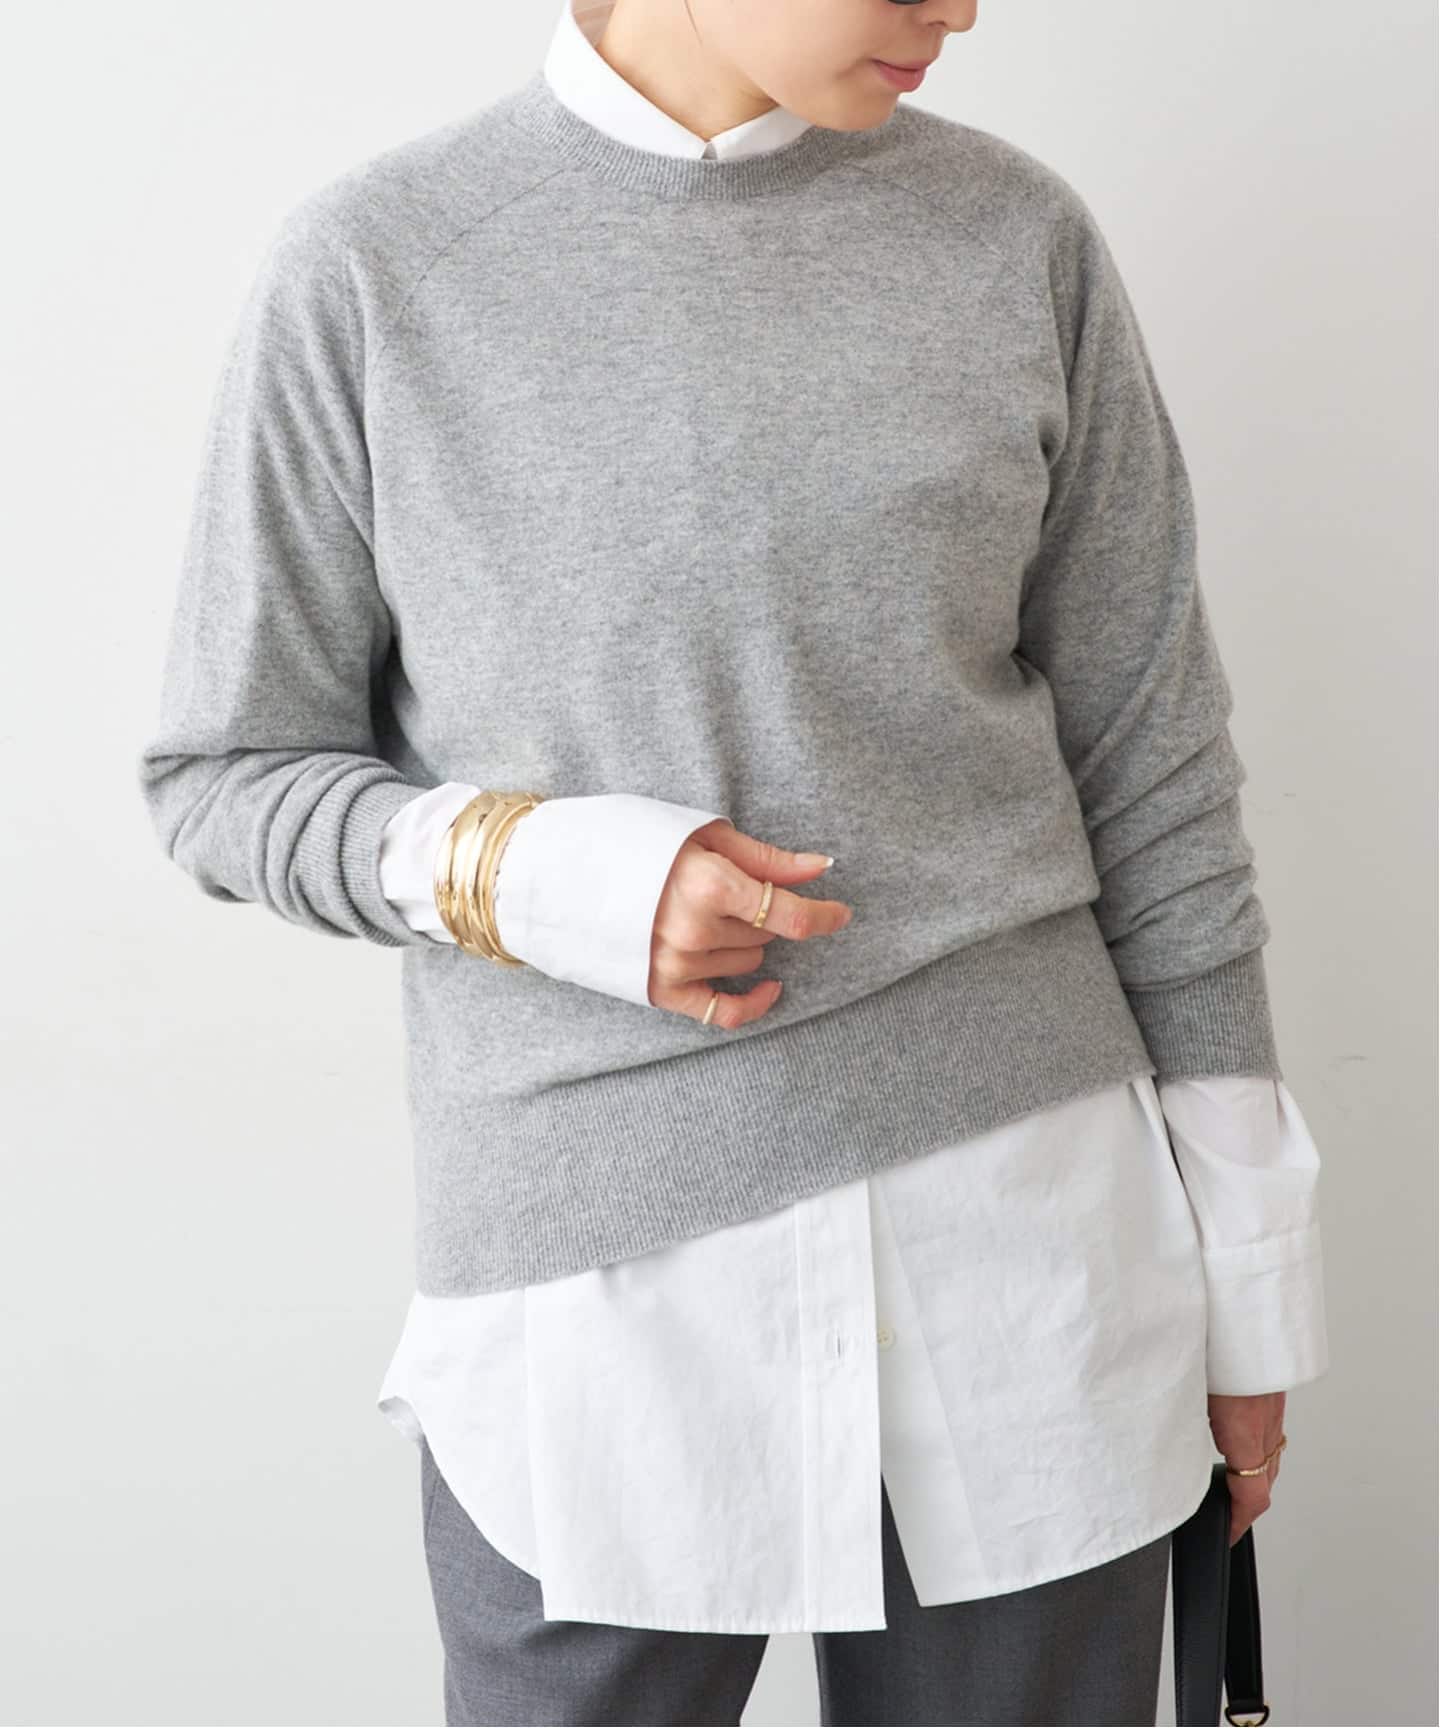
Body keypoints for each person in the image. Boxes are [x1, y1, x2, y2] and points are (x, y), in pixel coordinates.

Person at [136, 0, 1330, 1722]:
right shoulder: (378, 268)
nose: (960, 9)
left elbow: (1155, 772)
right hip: (595, 1292)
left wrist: (1250, 1281)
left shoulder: (1018, 238)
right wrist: (535, 875)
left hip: (1033, 1258)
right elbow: (223, 773)